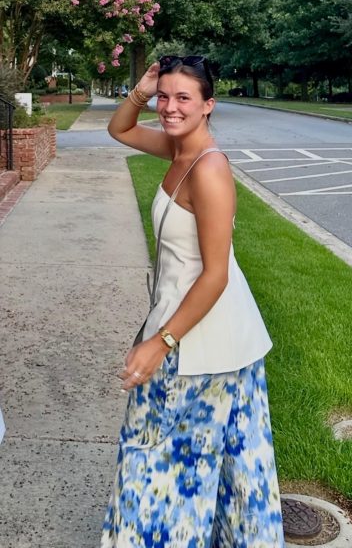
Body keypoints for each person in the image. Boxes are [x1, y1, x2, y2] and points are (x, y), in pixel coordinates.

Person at [101, 55, 284, 548]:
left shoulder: (209, 168)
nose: (169, 108)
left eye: (184, 98)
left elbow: (215, 274)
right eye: (165, 97)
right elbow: (120, 129)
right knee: (231, 471)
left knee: (158, 471)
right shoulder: (179, 149)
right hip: (208, 335)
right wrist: (142, 90)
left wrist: (160, 343)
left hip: (198, 345)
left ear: (208, 105)